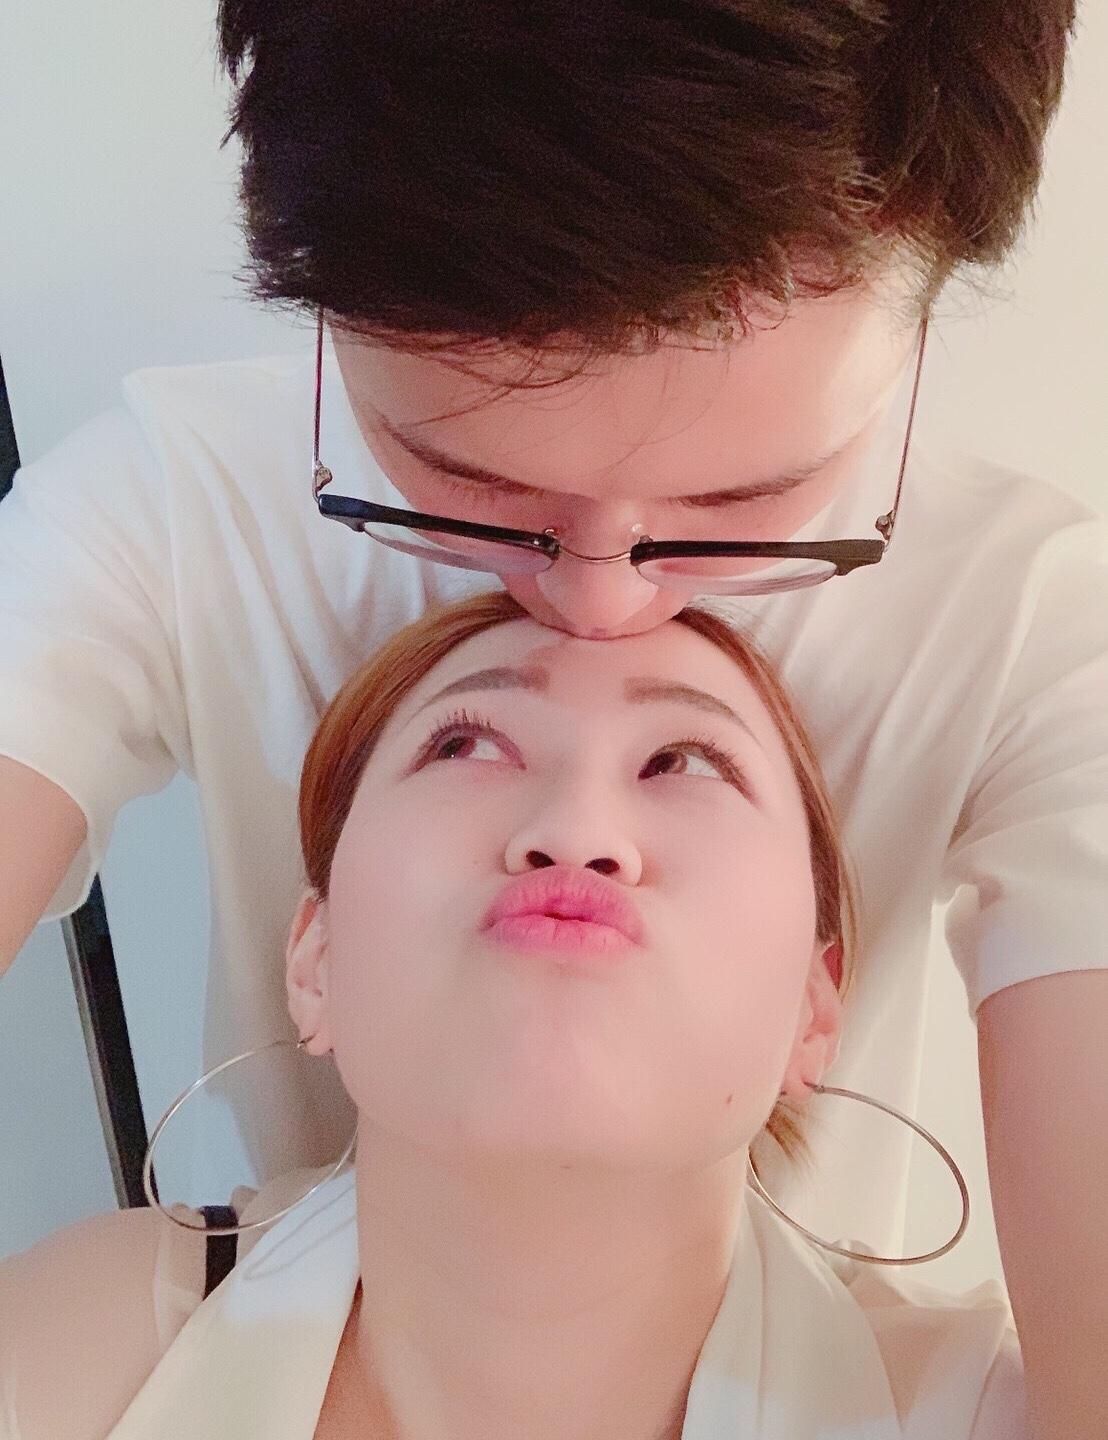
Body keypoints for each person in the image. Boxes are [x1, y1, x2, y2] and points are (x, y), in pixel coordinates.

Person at [0, 4, 1104, 1436]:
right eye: (469, 482)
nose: (597, 603)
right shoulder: (155, 517)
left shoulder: (1042, 637)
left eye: (740, 502)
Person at [0, 592, 1027, 1440]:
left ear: (814, 1007)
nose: (576, 829)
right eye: (466, 745)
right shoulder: (81, 1350)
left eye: (685, 761)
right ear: (315, 960)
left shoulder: (998, 1406)